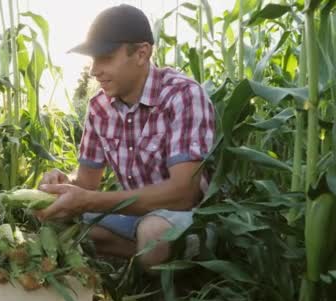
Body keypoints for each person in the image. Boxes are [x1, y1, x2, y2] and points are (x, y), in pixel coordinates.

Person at [36, 4, 215, 269]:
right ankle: (147, 259)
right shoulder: (99, 107)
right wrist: (63, 184)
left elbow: (183, 193)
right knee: (54, 218)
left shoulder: (183, 96)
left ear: (142, 53)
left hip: (186, 215)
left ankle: (168, 270)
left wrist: (89, 201)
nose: (95, 70)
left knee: (153, 235)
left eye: (105, 57)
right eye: (93, 59)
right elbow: (87, 183)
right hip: (134, 214)